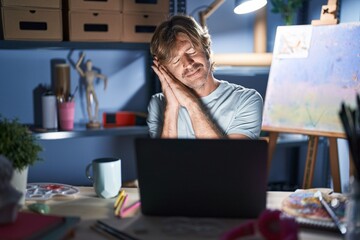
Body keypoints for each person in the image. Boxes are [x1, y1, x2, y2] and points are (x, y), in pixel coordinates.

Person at [146, 14, 263, 139]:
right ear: (164, 69)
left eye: (191, 51)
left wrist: (191, 103)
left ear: (206, 48)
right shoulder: (158, 104)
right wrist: (172, 107)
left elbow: (229, 158)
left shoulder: (246, 100)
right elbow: (163, 158)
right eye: (175, 61)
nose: (188, 64)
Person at [76, 53, 108, 128]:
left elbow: (105, 77)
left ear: (91, 65)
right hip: (87, 89)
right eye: (88, 64)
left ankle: (95, 118)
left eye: (90, 64)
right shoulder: (85, 73)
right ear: (86, 65)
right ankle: (90, 118)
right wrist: (81, 58)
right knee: (89, 105)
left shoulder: (93, 73)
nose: (89, 65)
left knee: (97, 103)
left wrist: (105, 86)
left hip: (92, 88)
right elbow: (77, 66)